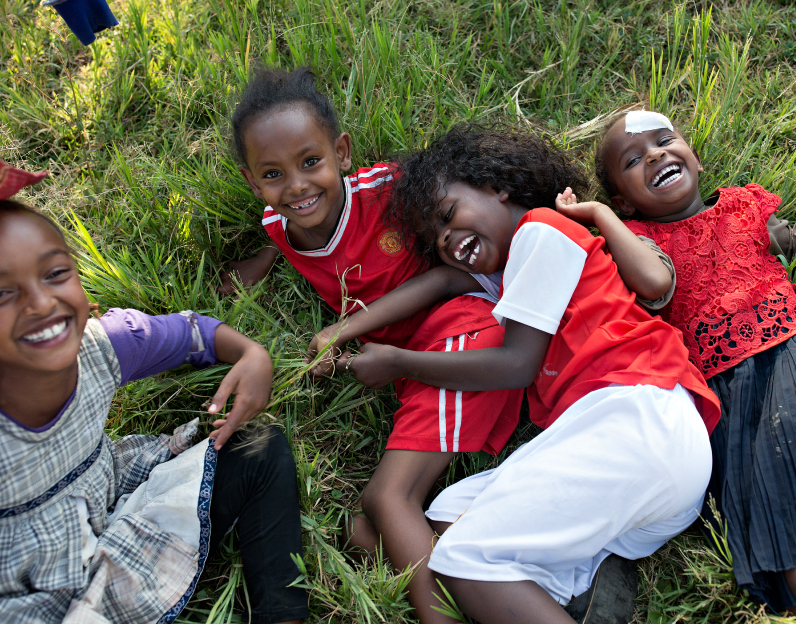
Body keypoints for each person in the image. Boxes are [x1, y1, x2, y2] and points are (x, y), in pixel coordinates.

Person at [334, 125, 721, 624]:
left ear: (499, 187)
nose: (450, 240)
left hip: (641, 417)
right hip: (626, 463)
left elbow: (515, 365)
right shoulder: (508, 272)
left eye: (449, 216)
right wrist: (342, 332)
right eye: (438, 239)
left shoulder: (541, 230)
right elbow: (441, 280)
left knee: (463, 558)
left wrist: (399, 361)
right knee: (441, 521)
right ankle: (580, 591)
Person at [576, 109, 796, 624]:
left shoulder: (742, 208)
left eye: (664, 140)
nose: (655, 153)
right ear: (623, 200)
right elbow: (651, 284)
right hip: (738, 397)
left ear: (695, 157)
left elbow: (792, 241)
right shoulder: (639, 242)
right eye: (633, 159)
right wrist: (601, 219)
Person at [223, 67, 536, 624]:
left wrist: (344, 328)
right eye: (273, 174)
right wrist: (259, 262)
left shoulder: (389, 192)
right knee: (378, 521)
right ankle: (409, 545)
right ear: (254, 184)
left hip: (466, 335)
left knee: (388, 497)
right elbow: (280, 232)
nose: (296, 186)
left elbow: (458, 272)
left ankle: (434, 600)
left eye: (310, 162)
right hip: (415, 368)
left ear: (342, 152)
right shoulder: (279, 221)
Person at [0, 162, 309, 624]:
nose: (42, 304)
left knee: (259, 448)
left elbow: (194, 333)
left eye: (55, 274)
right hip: (31, 594)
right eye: (2, 294)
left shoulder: (103, 347)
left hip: (113, 505)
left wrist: (252, 355)